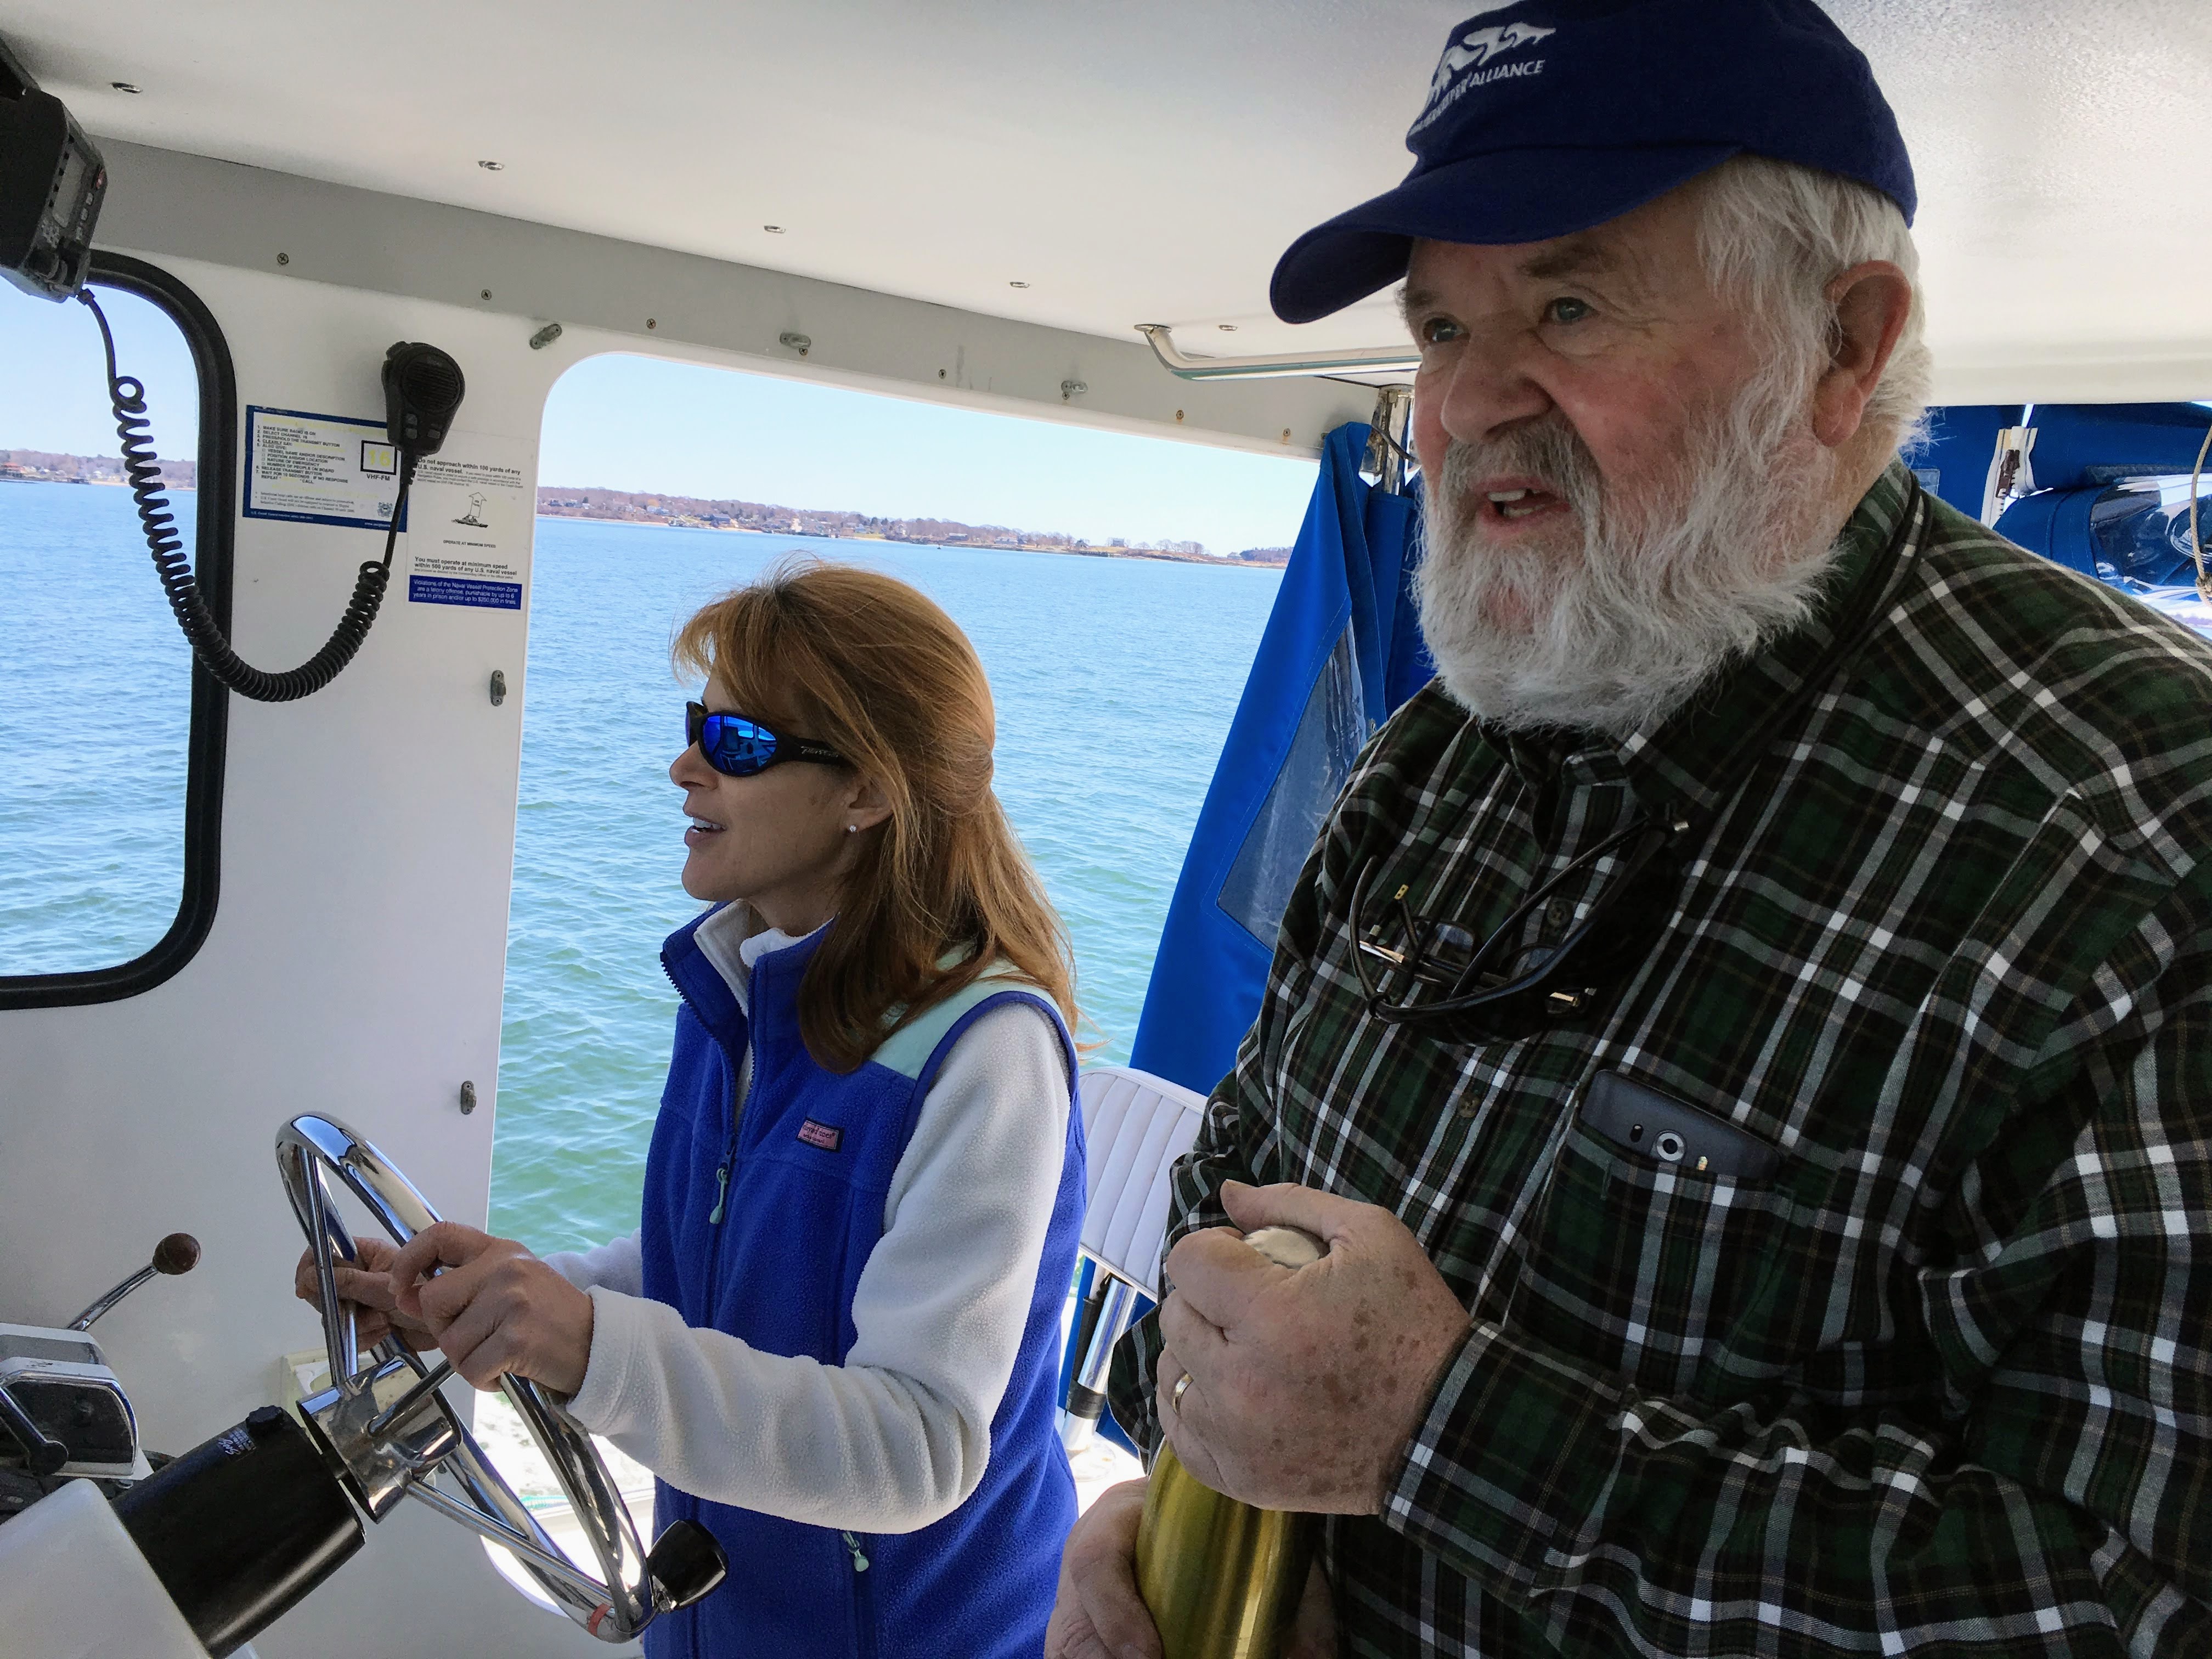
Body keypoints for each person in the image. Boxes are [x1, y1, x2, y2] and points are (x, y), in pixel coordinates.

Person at [1050, 3, 2211, 1657]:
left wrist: (1435, 1433)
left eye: (1571, 307)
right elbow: (1246, 1176)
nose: (1468, 414)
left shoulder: (2140, 841)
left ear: (1845, 345)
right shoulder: (1439, 748)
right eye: (1443, 332)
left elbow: (2137, 1600)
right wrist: (1178, 1509)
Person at [299, 560, 1086, 1658]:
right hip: (719, 1609)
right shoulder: (741, 990)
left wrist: (585, 1345)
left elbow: (921, 1448)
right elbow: (711, 1269)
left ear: (866, 792)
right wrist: (500, 1298)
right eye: (695, 728)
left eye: (738, 746)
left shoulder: (985, 1052)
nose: (684, 769)